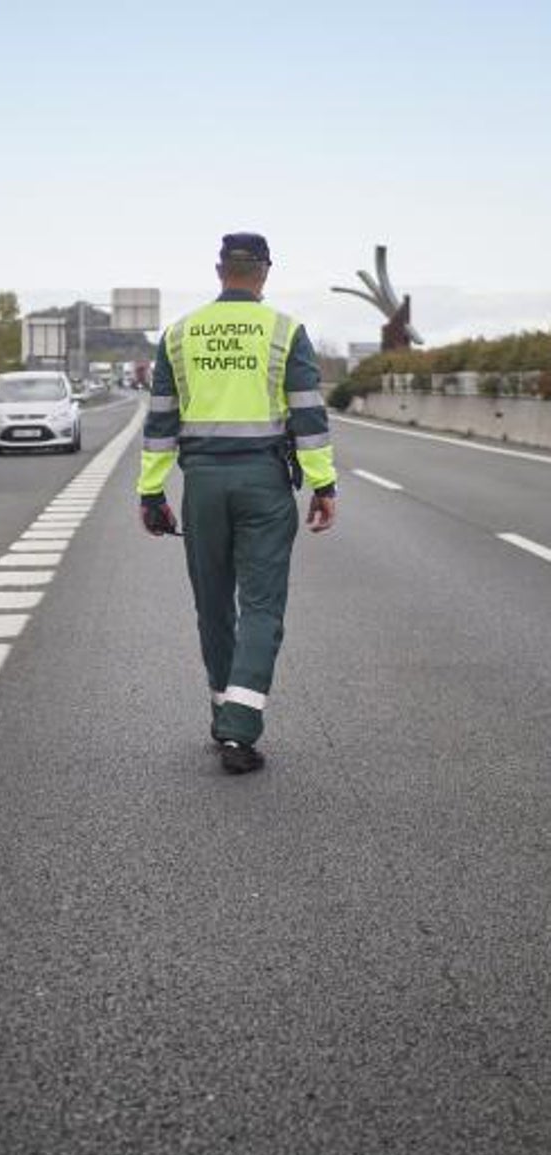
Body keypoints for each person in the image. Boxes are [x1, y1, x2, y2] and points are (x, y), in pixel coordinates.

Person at [137, 232, 337, 775]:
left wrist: (151, 492)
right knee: (262, 607)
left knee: (214, 604)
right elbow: (308, 416)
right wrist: (323, 485)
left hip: (202, 483)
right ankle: (239, 732)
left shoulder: (179, 334)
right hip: (264, 483)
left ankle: (224, 711)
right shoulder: (285, 331)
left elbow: (159, 422)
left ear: (219, 269)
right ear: (265, 272)